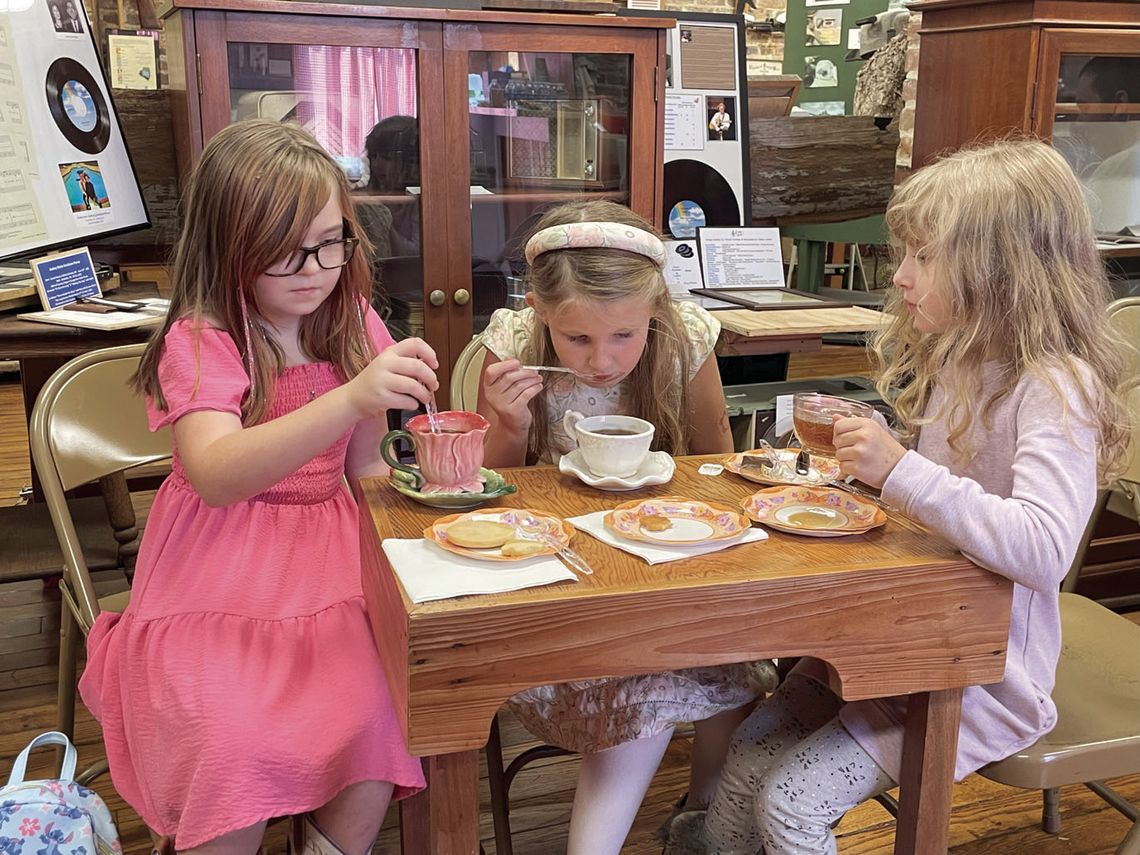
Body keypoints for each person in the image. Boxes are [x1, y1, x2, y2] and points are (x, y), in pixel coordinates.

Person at [662, 138, 1133, 855]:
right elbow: (950, 500)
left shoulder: (1053, 385)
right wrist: (884, 459)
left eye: (923, 256)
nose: (902, 276)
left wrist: (902, 471)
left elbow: (1041, 548)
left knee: (790, 806)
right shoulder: (962, 359)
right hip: (905, 633)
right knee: (750, 747)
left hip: (982, 674)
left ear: (996, 269)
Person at [78, 120, 437, 855]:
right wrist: (348, 398)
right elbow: (215, 474)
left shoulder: (351, 322)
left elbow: (364, 471)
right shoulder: (205, 335)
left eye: (331, 242)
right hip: (216, 576)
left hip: (330, 565)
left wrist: (423, 533)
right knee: (231, 735)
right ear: (228, 244)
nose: (313, 269)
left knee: (376, 714)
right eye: (284, 250)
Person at [478, 199, 775, 855]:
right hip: (561, 588)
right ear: (538, 311)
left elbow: (716, 461)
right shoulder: (513, 344)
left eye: (624, 336)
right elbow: (485, 492)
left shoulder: (685, 339)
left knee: (738, 655)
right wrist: (504, 425)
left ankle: (701, 821)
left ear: (655, 315)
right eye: (577, 338)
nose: (602, 362)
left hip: (664, 569)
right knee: (656, 671)